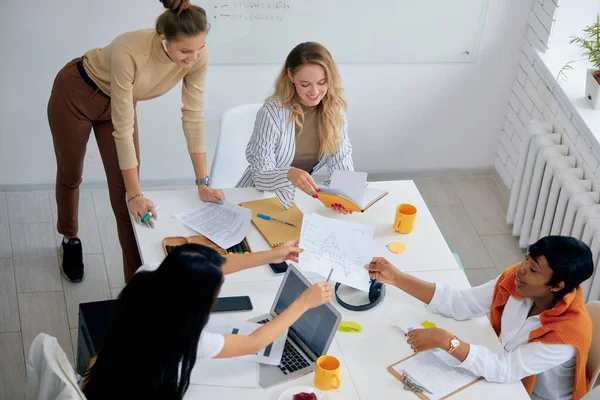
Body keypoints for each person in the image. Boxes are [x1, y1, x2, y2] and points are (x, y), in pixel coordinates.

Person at [47, 0, 224, 284]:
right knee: (71, 175)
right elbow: (123, 126)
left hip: (119, 105)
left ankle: (136, 286)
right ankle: (70, 238)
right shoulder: (129, 50)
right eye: (186, 51)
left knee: (129, 199)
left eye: (200, 48)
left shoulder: (197, 57)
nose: (194, 57)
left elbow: (193, 116)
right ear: (164, 41)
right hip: (77, 93)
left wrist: (202, 182)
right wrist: (135, 193)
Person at [81, 242, 332, 400]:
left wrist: (269, 255)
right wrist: (304, 303)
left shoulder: (150, 274)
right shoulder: (186, 336)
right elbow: (255, 343)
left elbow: (211, 267)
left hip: (104, 373)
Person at [367, 236, 594, 400]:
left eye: (534, 270)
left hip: (529, 393)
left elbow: (505, 369)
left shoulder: (567, 334)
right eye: (527, 260)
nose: (522, 270)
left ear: (556, 286)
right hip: (501, 371)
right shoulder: (517, 281)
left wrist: (448, 342)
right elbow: (461, 302)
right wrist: (397, 278)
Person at [236, 42, 354, 213]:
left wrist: (343, 196)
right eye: (305, 84)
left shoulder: (335, 111)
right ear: (290, 76)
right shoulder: (272, 112)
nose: (314, 92)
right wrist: (289, 174)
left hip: (296, 200)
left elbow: (342, 161)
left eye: (322, 82)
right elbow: (260, 176)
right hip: (256, 196)